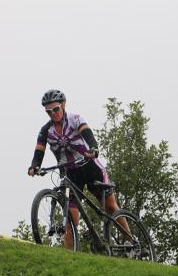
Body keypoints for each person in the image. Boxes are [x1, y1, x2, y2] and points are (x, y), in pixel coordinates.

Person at [28, 89, 129, 250]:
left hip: (90, 167)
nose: (53, 114)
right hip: (70, 174)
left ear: (63, 105)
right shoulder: (45, 130)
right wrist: (34, 166)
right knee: (71, 220)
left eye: (56, 109)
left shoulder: (75, 119)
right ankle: (70, 257)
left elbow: (87, 134)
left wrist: (94, 148)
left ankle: (130, 239)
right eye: (48, 112)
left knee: (110, 207)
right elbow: (39, 150)